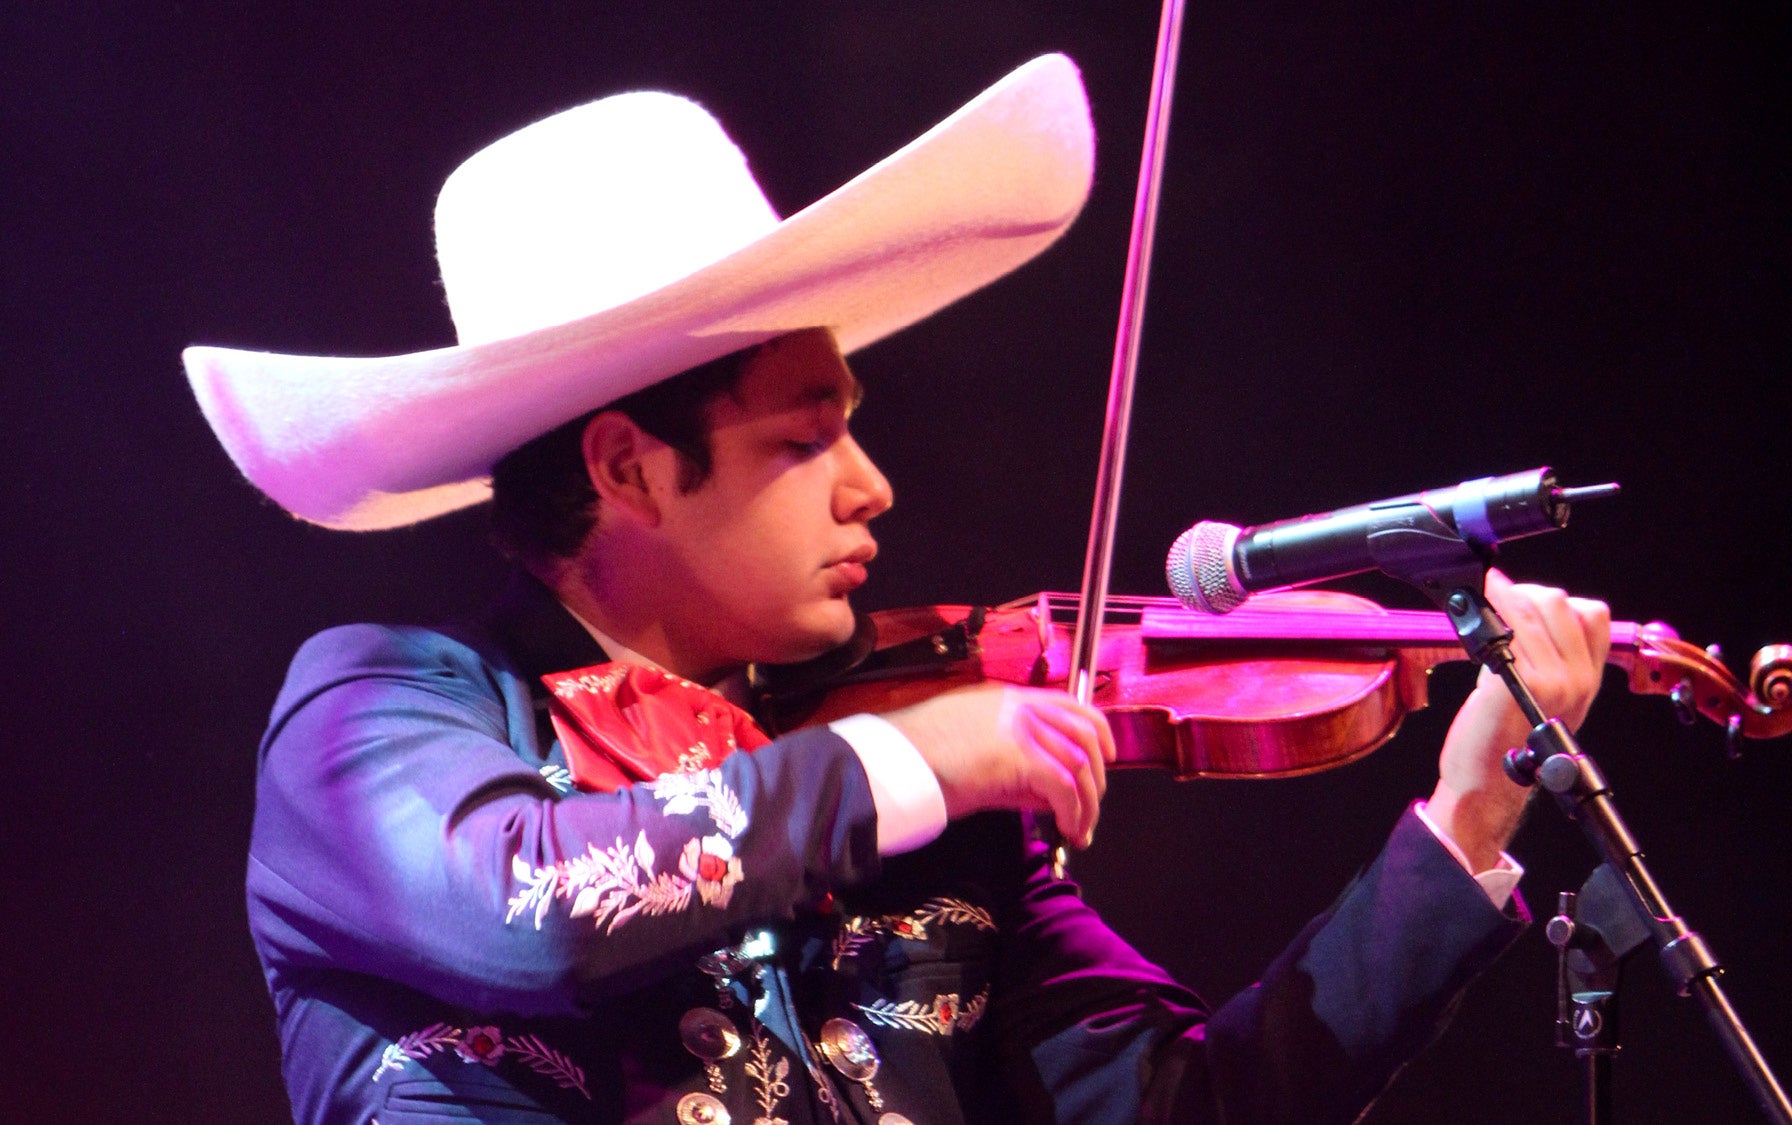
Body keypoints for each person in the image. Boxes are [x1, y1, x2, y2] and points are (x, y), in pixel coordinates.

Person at [185, 56, 1611, 1123]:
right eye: (803, 441)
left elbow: (1188, 1111)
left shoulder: (946, 822)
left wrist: (1467, 817)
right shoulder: (377, 710)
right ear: (628, 468)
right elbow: (533, 906)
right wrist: (909, 759)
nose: (871, 487)